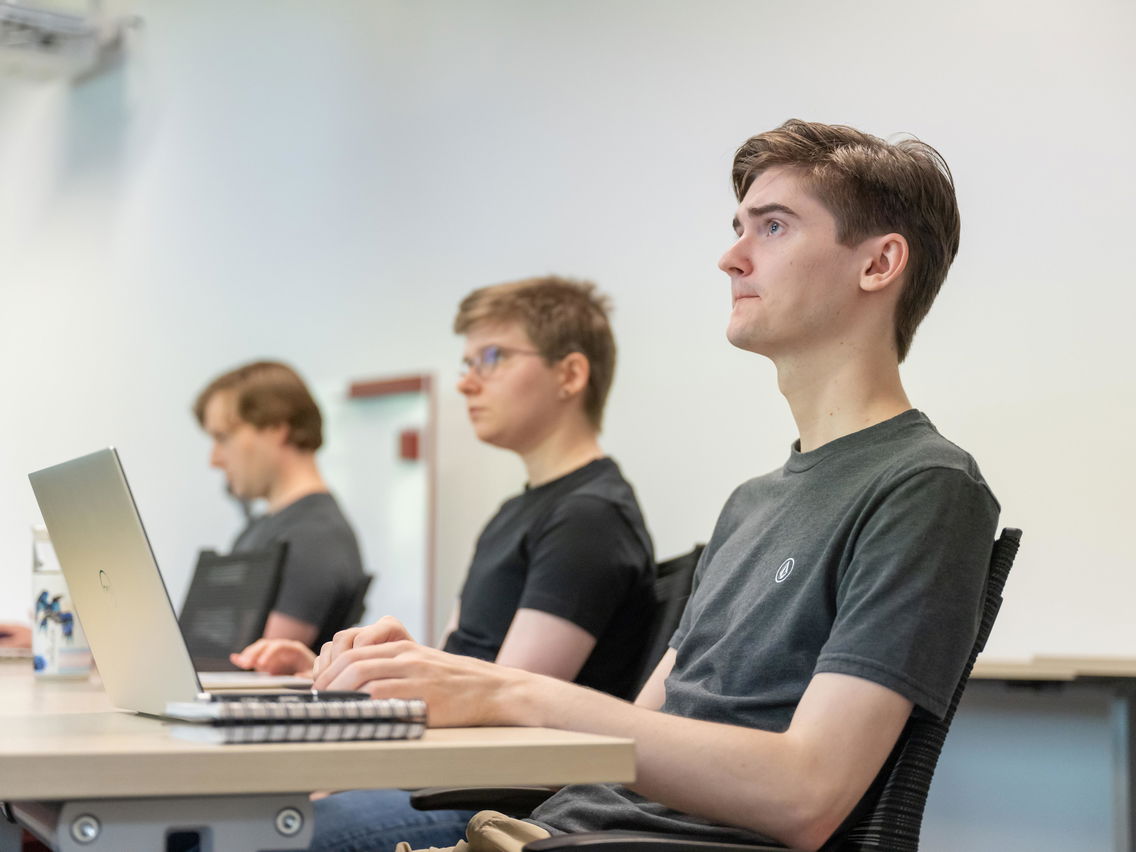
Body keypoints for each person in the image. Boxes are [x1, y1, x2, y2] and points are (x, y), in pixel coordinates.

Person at [310, 120, 1001, 852]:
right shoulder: (752, 502)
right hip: (559, 832)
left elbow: (807, 795)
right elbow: (639, 738)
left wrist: (500, 691)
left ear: (878, 264)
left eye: (772, 226)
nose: (731, 258)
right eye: (738, 228)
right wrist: (431, 676)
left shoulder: (926, 486)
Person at [193, 360, 366, 655]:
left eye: (223, 438)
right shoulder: (266, 528)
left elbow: (254, 667)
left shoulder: (314, 538)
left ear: (276, 428)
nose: (215, 459)